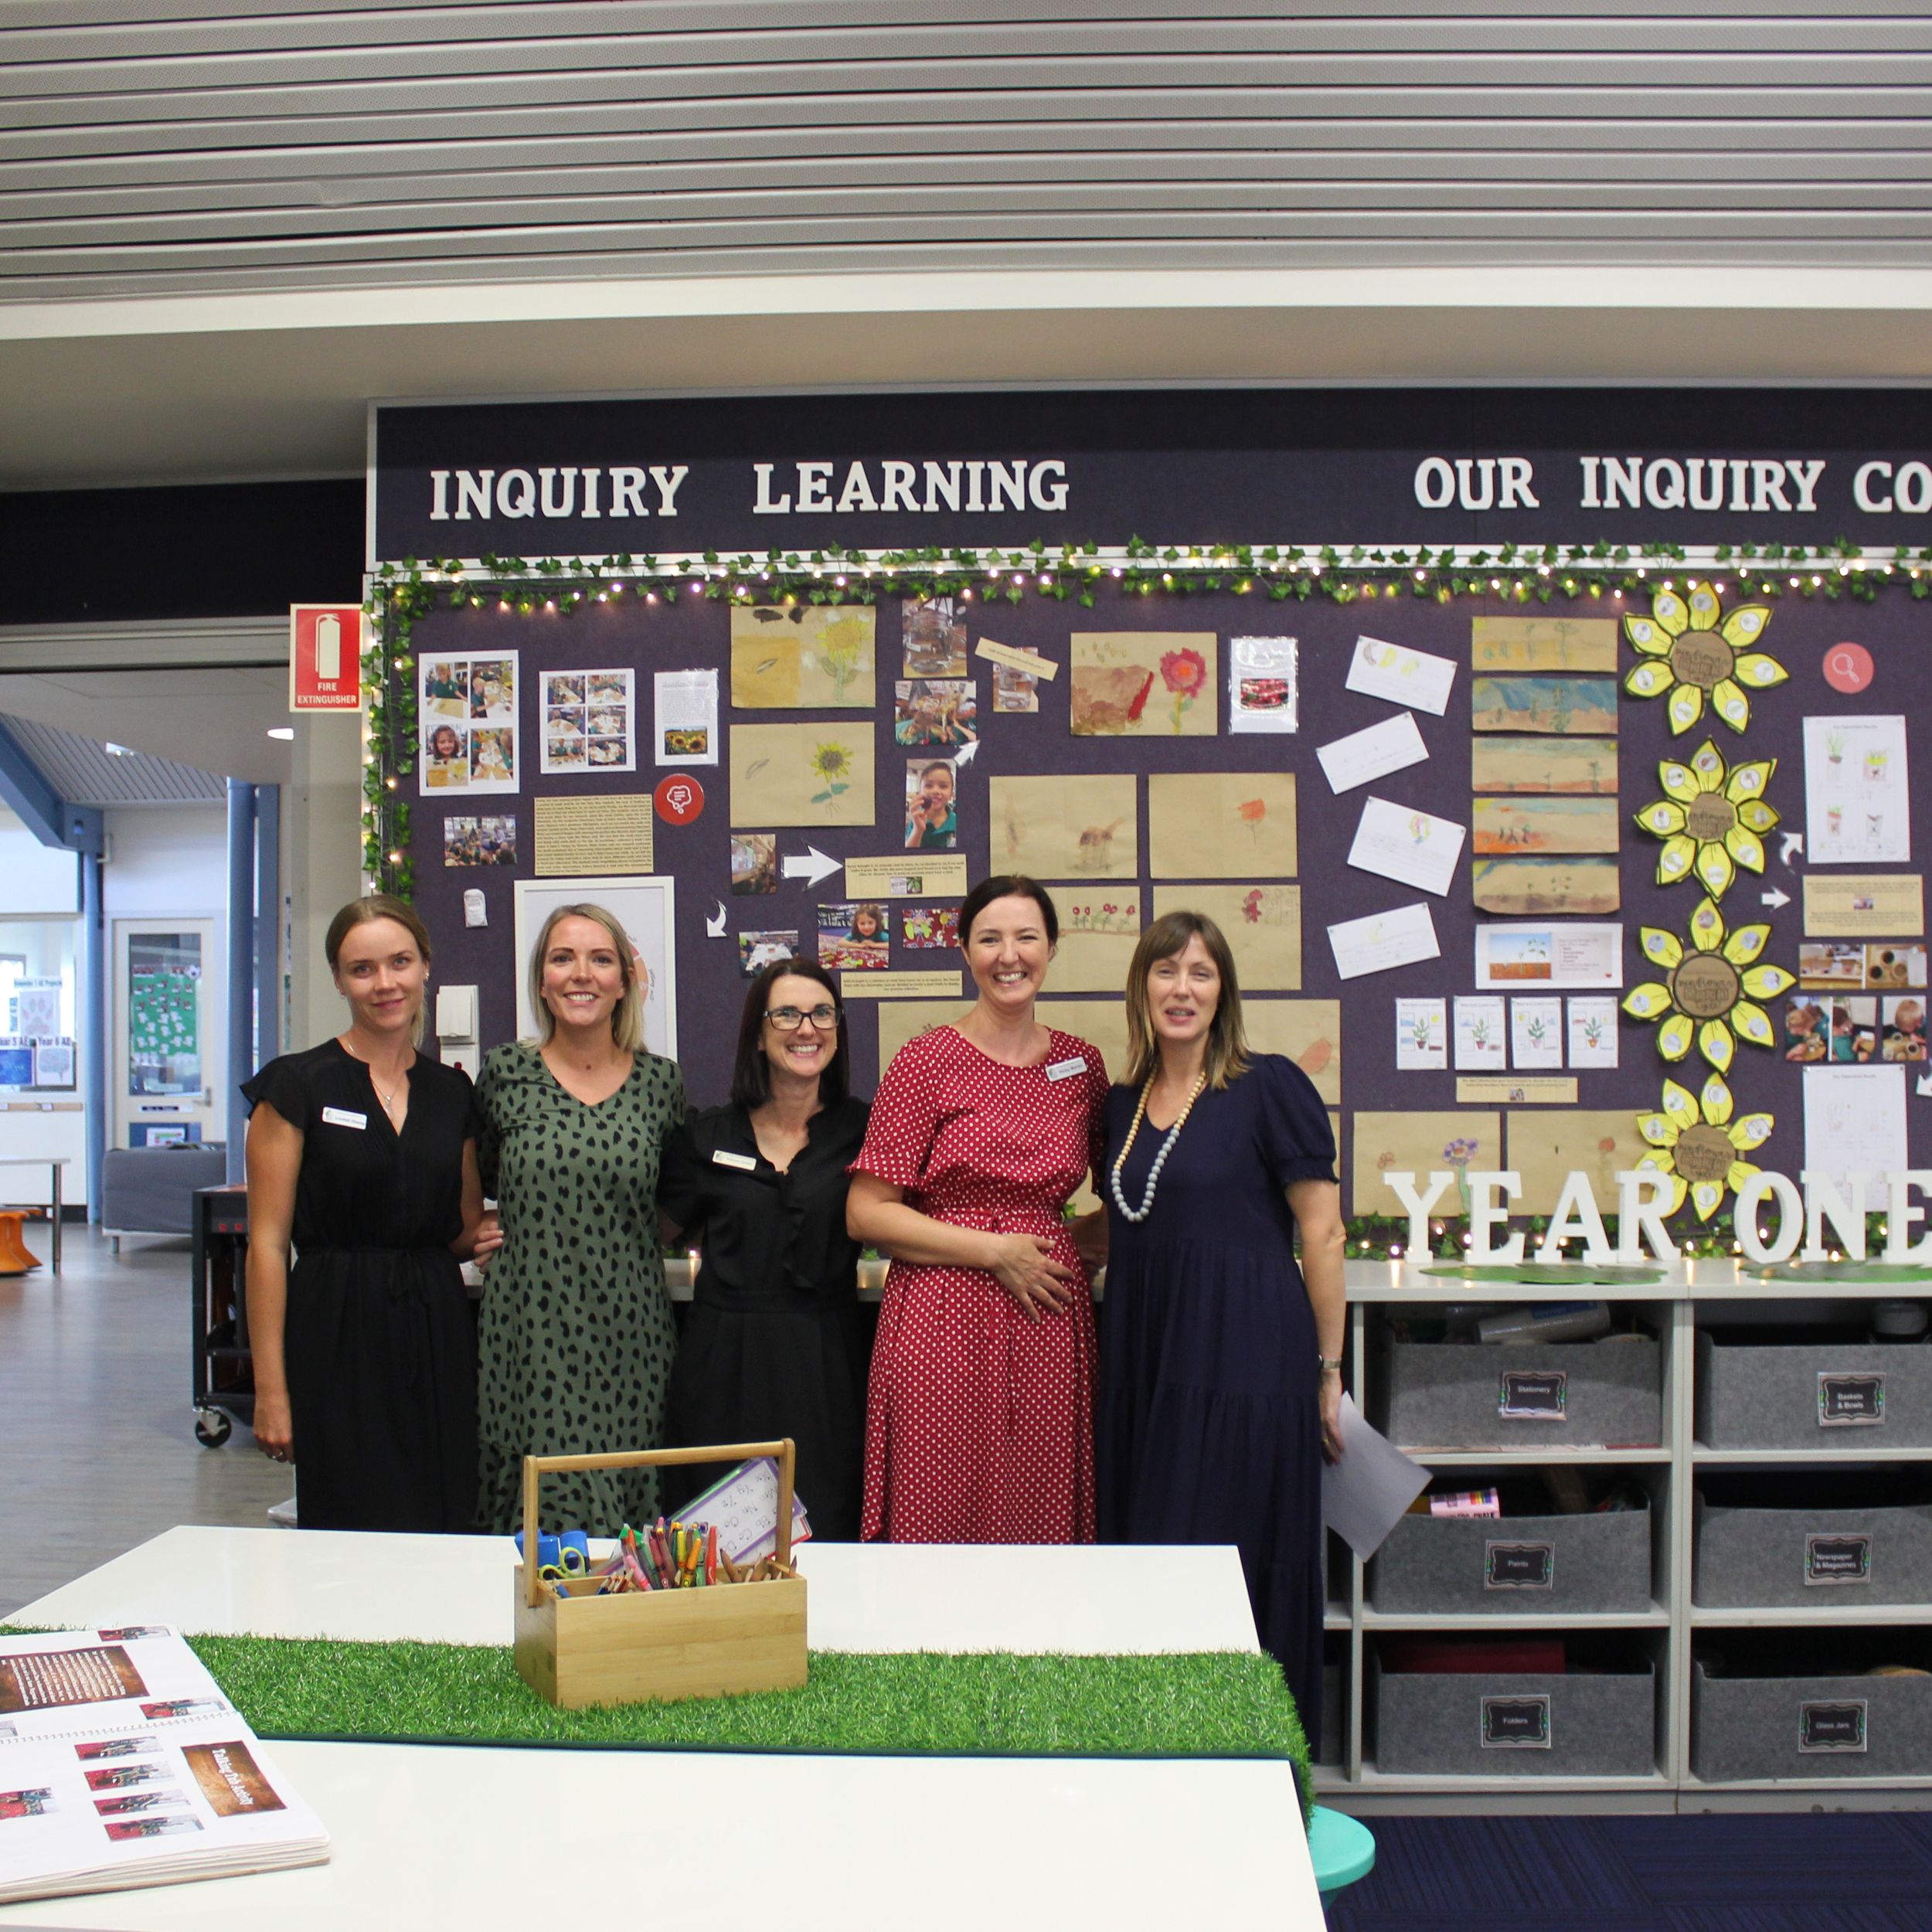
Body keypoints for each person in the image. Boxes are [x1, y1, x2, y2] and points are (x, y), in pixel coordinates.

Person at [1094, 910, 1345, 1746]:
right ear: (1141, 988)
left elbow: (1322, 1233)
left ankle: (1255, 1757)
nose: (1182, 989)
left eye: (1200, 973)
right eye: (1166, 971)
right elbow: (1132, 1217)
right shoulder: (1121, 1104)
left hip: (1244, 1360)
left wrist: (1329, 1368)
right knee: (1156, 1550)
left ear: (1223, 991)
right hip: (1147, 1358)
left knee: (1233, 1546)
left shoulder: (1268, 1086)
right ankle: (1161, 1751)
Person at [847, 875, 1109, 1542]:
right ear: (965, 951)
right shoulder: (925, 1061)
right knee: (940, 1506)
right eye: (990, 939)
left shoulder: (1081, 1066)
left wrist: (1064, 1241)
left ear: (1052, 947)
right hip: (941, 1317)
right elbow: (867, 1214)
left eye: (1026, 937)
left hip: (1047, 1315)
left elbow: (1127, 1191)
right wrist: (996, 1250)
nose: (1009, 955)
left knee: (1038, 1506)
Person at [242, 895, 495, 1531]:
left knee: (445, 1517)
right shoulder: (297, 1086)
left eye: (399, 962)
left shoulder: (452, 1092)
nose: (385, 983)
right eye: (363, 969)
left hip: (436, 1329)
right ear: (338, 979)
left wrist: (514, 1230)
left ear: (425, 966)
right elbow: (267, 1246)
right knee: (348, 1525)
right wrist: (271, 1391)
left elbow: (462, 1230)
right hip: (335, 1327)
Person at [474, 903, 685, 1535]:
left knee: (630, 1526)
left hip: (631, 1332)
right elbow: (483, 1180)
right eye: (562, 958)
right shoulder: (505, 1073)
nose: (581, 974)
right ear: (541, 981)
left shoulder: (661, 1085)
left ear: (625, 981)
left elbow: (673, 1203)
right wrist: (482, 1229)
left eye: (601, 959)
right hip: (531, 1330)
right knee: (543, 1521)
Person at [658, 960, 870, 1538]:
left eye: (822, 1013)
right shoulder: (706, 1137)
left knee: (825, 1528)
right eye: (787, 1014)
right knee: (713, 1541)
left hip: (825, 1363)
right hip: (722, 1365)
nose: (807, 1028)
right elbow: (649, 1229)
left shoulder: (865, 1132)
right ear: (758, 1033)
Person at [903, 760, 957, 849]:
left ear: (951, 794)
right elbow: (907, 855)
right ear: (920, 792)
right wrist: (918, 830)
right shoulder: (916, 820)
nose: (935, 791)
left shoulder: (956, 822)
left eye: (943, 786)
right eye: (929, 785)